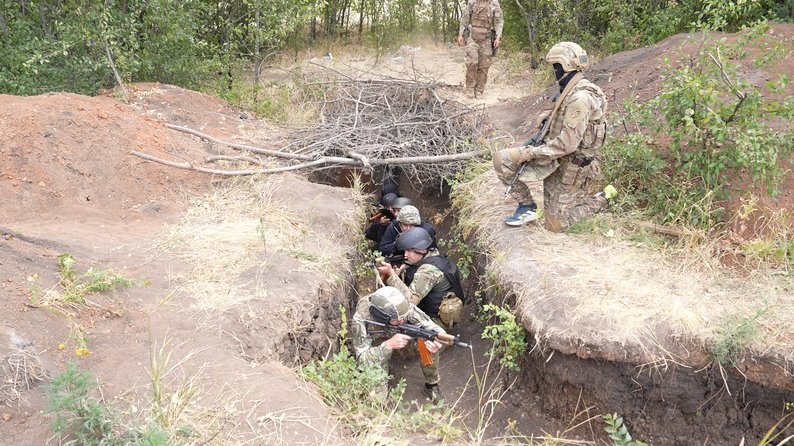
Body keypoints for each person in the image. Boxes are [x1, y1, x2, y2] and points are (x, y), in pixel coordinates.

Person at [493, 41, 617, 231]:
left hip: (571, 167)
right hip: (554, 156)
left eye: (556, 67)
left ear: (566, 66)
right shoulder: (569, 91)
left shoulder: (580, 98)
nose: (555, 72)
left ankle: (602, 198)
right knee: (502, 159)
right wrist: (548, 118)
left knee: (556, 226)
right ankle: (527, 206)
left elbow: (567, 145)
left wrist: (531, 153)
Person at [351, 286, 446, 402]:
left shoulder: (401, 308)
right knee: (377, 400)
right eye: (398, 320)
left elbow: (431, 326)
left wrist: (437, 339)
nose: (403, 320)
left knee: (428, 343)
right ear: (383, 316)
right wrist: (388, 345)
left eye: (404, 317)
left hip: (400, 339)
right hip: (377, 347)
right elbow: (362, 359)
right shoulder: (360, 320)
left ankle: (432, 385)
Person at [376, 227, 465, 331]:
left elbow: (410, 301)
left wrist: (391, 274)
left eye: (410, 250)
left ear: (422, 249)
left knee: (395, 323)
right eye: (405, 250)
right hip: (443, 311)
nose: (406, 254)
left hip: (436, 321)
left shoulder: (428, 270)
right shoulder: (434, 255)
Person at [457, 0, 504, 99]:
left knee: (484, 66)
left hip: (486, 39)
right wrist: (460, 34)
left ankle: (479, 90)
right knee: (472, 62)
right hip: (472, 38)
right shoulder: (472, 2)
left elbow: (499, 22)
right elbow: (465, 19)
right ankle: (470, 88)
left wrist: (498, 37)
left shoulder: (494, 3)